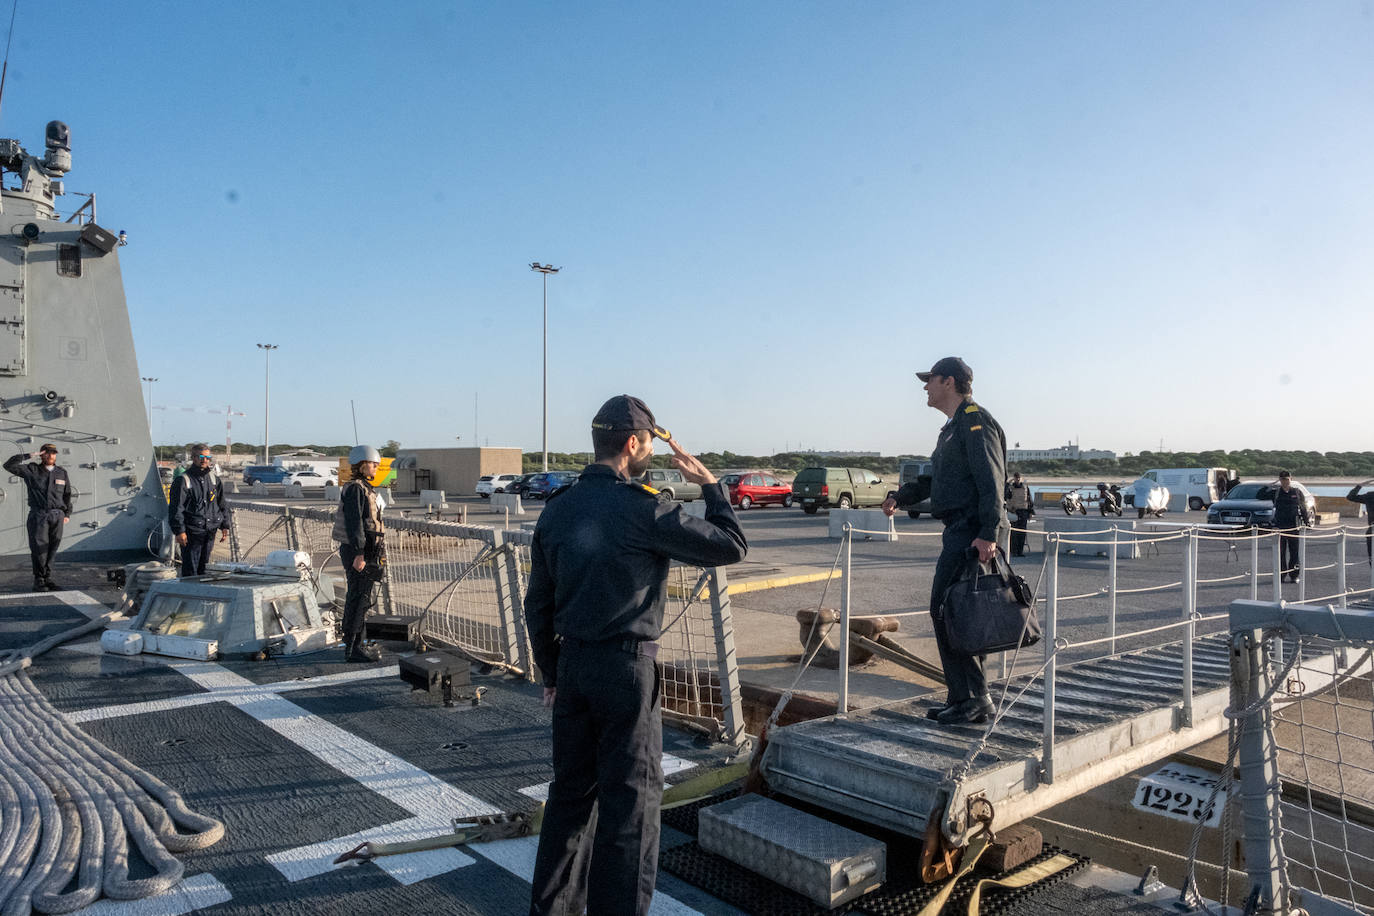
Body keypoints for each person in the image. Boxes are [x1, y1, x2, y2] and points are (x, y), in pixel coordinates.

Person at [526, 395, 747, 916]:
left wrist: (552, 672)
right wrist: (711, 487)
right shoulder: (644, 508)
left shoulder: (558, 508)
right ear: (632, 444)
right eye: (647, 442)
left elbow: (538, 602)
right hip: (626, 671)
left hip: (573, 668)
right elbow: (731, 545)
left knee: (569, 800)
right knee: (631, 809)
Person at [883, 357, 1007, 725]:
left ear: (949, 382)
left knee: (949, 610)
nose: (925, 387)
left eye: (930, 380)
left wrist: (988, 533)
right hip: (959, 530)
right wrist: (899, 496)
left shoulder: (974, 421)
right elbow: (934, 479)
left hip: (970, 533)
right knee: (955, 613)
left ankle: (975, 698)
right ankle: (965, 698)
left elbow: (992, 482)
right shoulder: (952, 429)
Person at [331, 445, 386, 662]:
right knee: (358, 597)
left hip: (367, 550)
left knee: (361, 597)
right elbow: (356, 524)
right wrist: (359, 554)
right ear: (362, 464)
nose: (376, 468)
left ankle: (356, 644)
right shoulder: (355, 489)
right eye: (373, 464)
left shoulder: (364, 488)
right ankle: (353, 649)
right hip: (360, 552)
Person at [5, 444, 73, 591]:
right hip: (39, 515)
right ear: (42, 455)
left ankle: (48, 578)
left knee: (52, 549)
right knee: (38, 549)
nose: (50, 456)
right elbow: (9, 465)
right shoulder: (32, 470)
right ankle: (39, 580)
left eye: (53, 453)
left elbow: (67, 495)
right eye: (47, 453)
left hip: (57, 515)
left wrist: (66, 514)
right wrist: (30, 455)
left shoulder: (62, 472)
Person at [167, 444, 229, 577]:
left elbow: (221, 504)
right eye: (201, 456)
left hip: (209, 531)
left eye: (208, 457)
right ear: (193, 458)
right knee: (191, 569)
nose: (205, 460)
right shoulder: (183, 480)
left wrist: (225, 525)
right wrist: (179, 531)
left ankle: (203, 596)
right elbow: (176, 508)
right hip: (192, 532)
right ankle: (189, 595)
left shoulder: (214, 480)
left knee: (205, 567)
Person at [1273, 470, 1312, 584]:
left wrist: (1306, 522)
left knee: (1294, 553)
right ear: (1280, 480)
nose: (1285, 481)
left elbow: (1303, 508)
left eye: (1287, 479)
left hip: (1294, 526)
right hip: (1280, 526)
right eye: (1282, 479)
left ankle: (1294, 575)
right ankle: (1281, 575)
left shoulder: (1297, 492)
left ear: (1290, 479)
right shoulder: (1276, 492)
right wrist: (1271, 485)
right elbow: (1260, 495)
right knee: (1281, 553)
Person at [1004, 471, 1034, 556]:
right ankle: (1013, 551)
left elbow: (1029, 499)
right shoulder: (1010, 488)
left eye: (1018, 477)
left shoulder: (1025, 487)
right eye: (1015, 477)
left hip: (1023, 512)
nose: (1017, 479)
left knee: (1022, 533)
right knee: (1013, 533)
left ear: (1020, 478)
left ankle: (1020, 552)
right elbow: (1005, 495)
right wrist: (1008, 483)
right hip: (1014, 511)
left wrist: (1031, 512)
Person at [1346, 479, 1374, 564]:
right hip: (1372, 530)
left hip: (1372, 530)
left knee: (1371, 558)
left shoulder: (1370, 496)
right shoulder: (1370, 496)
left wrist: (1359, 486)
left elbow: (1351, 497)